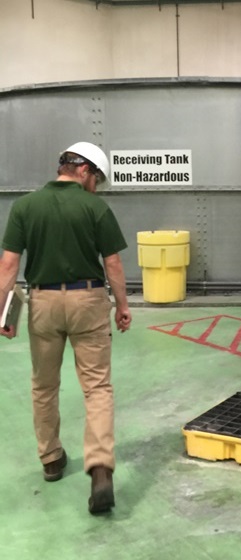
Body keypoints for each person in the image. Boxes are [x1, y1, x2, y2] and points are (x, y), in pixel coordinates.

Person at [0, 142, 131, 515]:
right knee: (98, 386)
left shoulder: (25, 207)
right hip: (88, 303)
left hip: (42, 303)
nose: (97, 188)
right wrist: (122, 307)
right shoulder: (95, 208)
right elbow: (114, 265)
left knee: (44, 385)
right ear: (85, 171)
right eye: (98, 180)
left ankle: (52, 459)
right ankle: (101, 468)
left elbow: (8, 267)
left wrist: (2, 315)